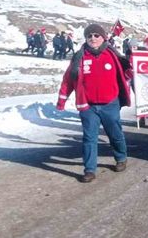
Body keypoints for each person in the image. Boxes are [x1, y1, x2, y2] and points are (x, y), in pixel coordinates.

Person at [56, 23, 131, 183]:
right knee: (89, 138)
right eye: (89, 36)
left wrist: (134, 64)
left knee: (115, 134)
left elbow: (127, 71)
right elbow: (68, 79)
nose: (93, 38)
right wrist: (62, 99)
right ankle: (89, 170)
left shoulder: (113, 55)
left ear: (103, 37)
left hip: (110, 103)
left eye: (96, 35)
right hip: (88, 105)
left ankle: (121, 157)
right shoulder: (79, 57)